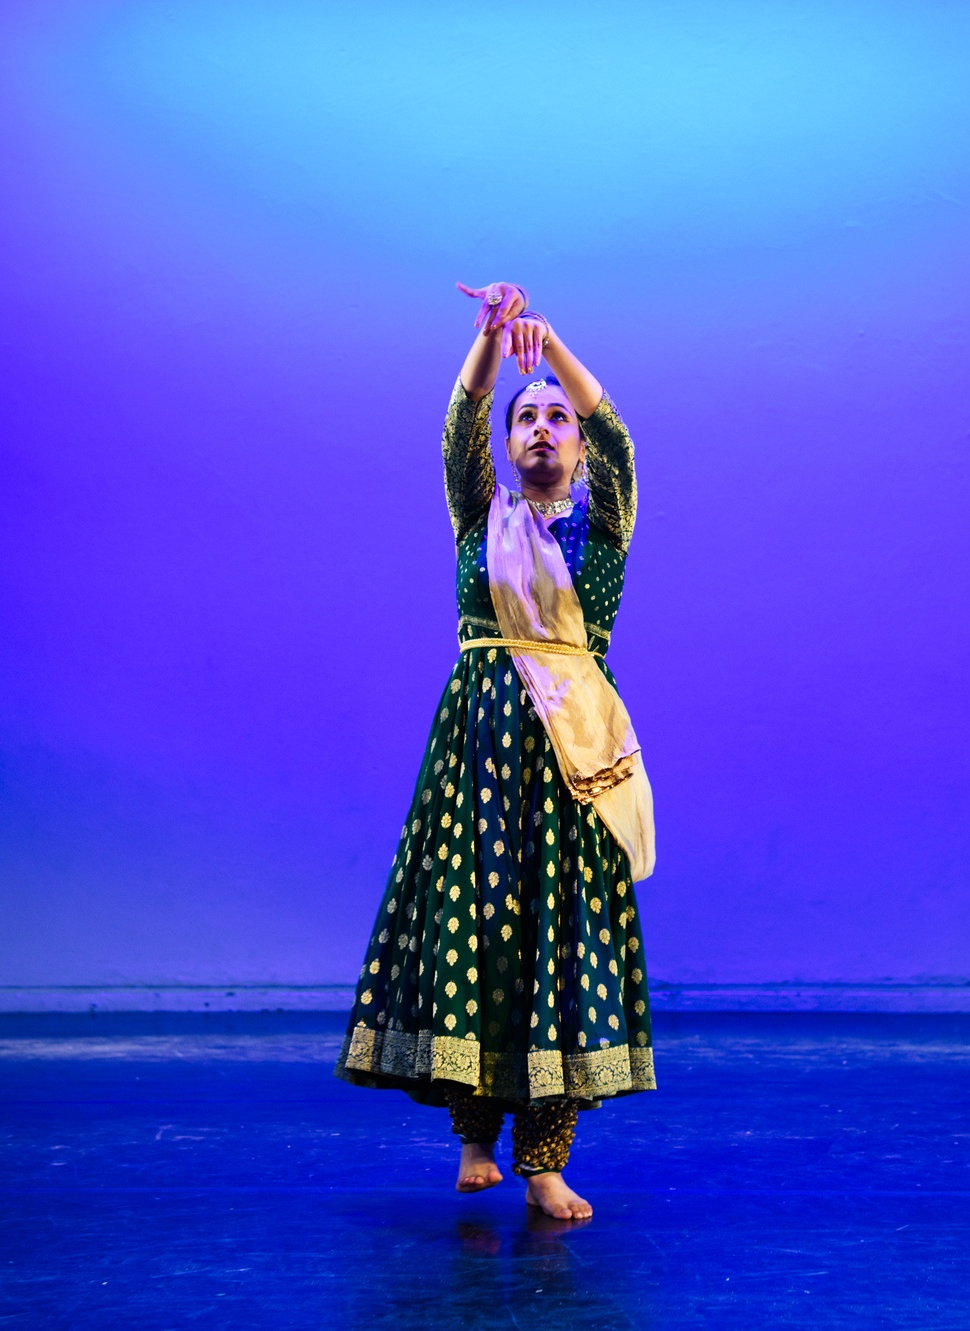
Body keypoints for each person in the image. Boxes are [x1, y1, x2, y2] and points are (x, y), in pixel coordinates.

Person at [335, 281, 658, 1222]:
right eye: (527, 418)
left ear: (577, 448)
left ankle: (545, 1162)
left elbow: (621, 440)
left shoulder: (606, 527)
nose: (544, 428)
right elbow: (457, 429)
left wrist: (548, 349)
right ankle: (474, 1140)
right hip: (477, 754)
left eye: (558, 419)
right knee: (472, 928)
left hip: (574, 759)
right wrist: (490, 341)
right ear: (510, 445)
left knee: (562, 941)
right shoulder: (482, 520)